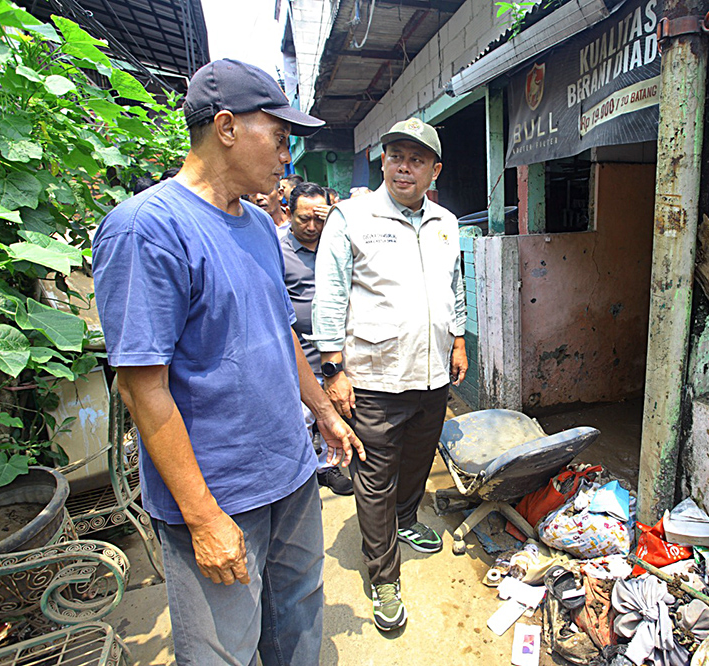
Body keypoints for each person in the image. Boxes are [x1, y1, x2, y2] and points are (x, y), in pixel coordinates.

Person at [92, 59, 364, 665]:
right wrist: (201, 515)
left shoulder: (260, 228)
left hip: (290, 473)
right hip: (220, 493)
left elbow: (280, 331)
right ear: (226, 127)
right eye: (280, 136)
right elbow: (142, 389)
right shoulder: (148, 229)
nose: (288, 156)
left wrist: (321, 411)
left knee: (297, 619)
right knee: (224, 649)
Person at [313, 118, 468, 632]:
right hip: (375, 377)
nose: (405, 166)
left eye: (417, 159)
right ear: (383, 161)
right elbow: (331, 296)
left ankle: (405, 520)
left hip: (431, 376)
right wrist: (333, 369)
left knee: (419, 459)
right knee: (374, 478)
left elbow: (454, 286)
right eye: (396, 155)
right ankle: (383, 576)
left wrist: (460, 339)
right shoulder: (352, 218)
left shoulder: (447, 222)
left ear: (434, 170)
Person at [280, 181, 354, 496]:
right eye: (303, 219)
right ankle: (302, 473)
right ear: (288, 214)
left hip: (338, 345)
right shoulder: (277, 249)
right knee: (303, 412)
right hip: (298, 348)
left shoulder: (339, 242)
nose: (312, 227)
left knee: (336, 405)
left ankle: (328, 465)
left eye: (319, 219)